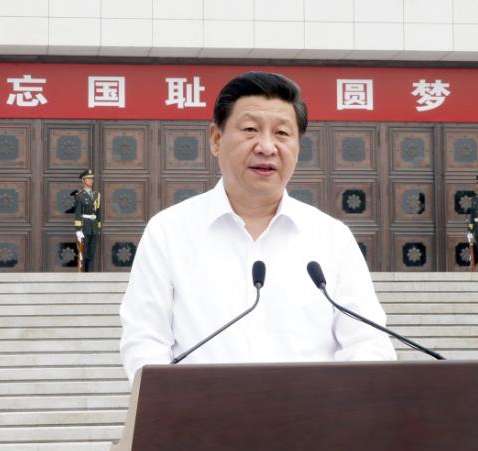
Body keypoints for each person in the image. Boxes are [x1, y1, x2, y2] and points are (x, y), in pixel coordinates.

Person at [119, 71, 396, 383]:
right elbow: (145, 340)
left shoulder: (331, 237)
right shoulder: (169, 232)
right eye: (250, 130)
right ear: (216, 139)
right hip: (202, 412)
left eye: (282, 133)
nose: (266, 147)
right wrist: (174, 402)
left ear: (298, 146)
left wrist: (343, 401)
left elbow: (367, 341)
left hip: (313, 412)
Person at [73, 169, 101, 272]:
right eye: (89, 179)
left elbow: (98, 212)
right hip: (85, 226)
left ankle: (88, 272)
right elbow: (77, 213)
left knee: (91, 251)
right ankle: (84, 273)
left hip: (94, 227)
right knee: (83, 251)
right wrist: (78, 230)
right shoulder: (80, 196)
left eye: (92, 179)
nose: (91, 180)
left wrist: (98, 227)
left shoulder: (96, 195)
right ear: (83, 181)